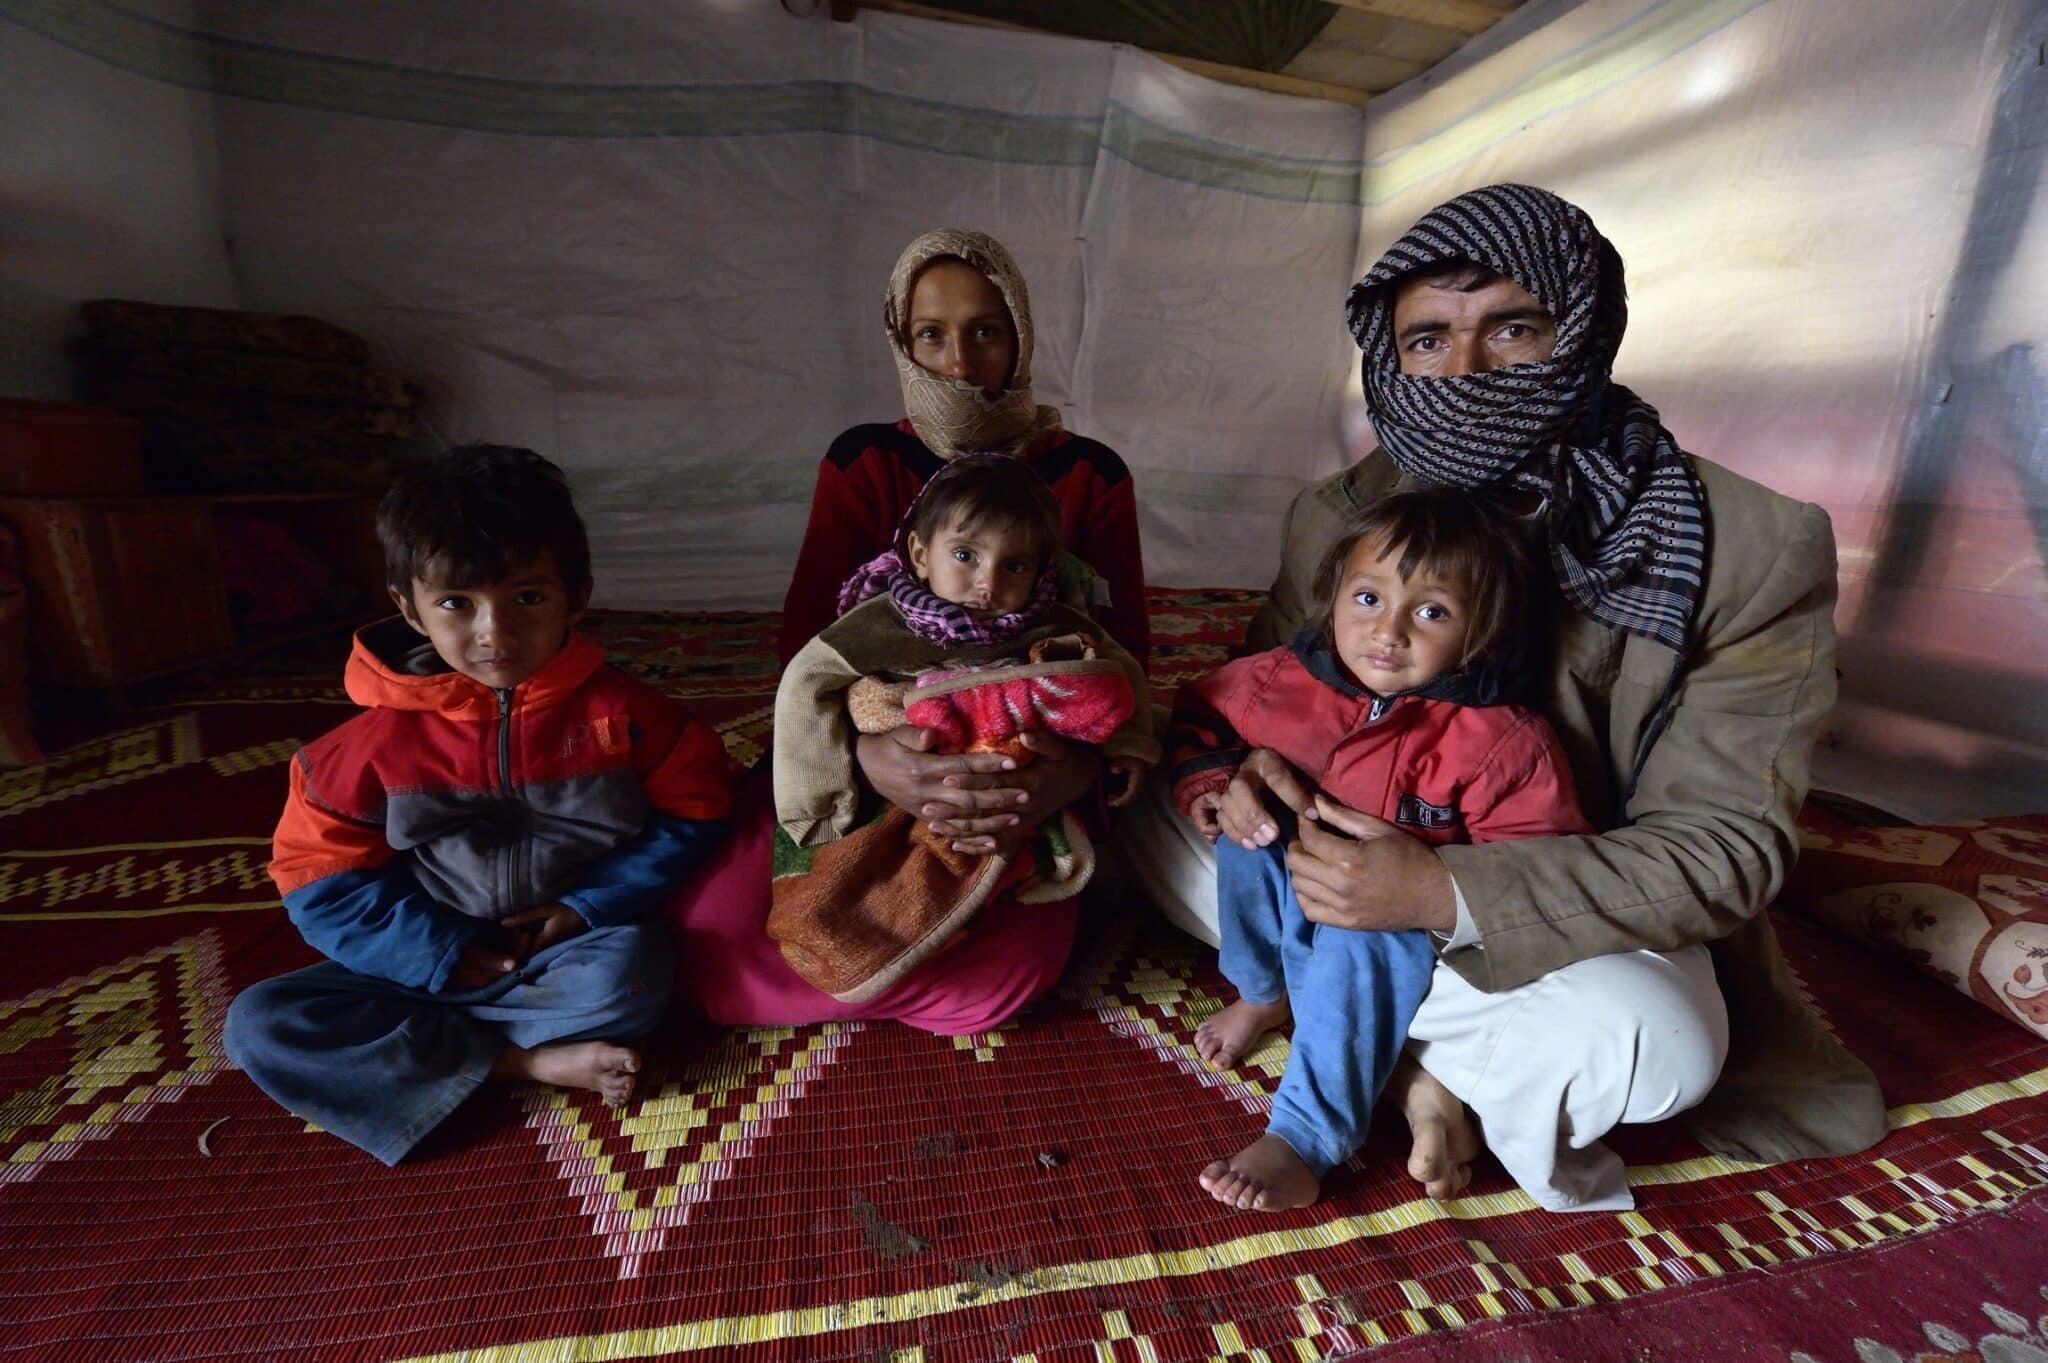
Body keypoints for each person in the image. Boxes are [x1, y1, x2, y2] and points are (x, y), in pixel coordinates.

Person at [1124, 183, 1885, 1212]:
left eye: (1511, 330)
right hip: (1339, 862)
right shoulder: (1345, 512)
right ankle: (1406, 1064)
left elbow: (1722, 849)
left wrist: (1441, 895)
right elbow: (1266, 695)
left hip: (1551, 905)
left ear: (1580, 332)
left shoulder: (1740, 547)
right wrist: (1238, 780)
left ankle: (1375, 1040)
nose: (1465, 370)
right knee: (1131, 782)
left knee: (1656, 1046)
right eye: (1428, 340)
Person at [669, 228, 1145, 1034]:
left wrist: (1060, 780)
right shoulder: (865, 463)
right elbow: (808, 653)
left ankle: (862, 969)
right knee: (703, 935)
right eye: (932, 333)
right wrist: (871, 758)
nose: (959, 362)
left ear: (1021, 335)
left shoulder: (1088, 473)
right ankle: (889, 965)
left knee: (1006, 980)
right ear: (902, 339)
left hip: (1017, 768)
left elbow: (1124, 659)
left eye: (986, 331)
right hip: (869, 758)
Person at [224, 445, 735, 1165]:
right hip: (420, 963)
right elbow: (320, 881)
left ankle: (455, 1054)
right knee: (258, 1025)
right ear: (407, 606)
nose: (494, 632)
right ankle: (525, 1062)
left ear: (577, 594)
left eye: (527, 597)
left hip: (565, 951)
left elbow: (700, 811)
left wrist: (591, 906)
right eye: (456, 604)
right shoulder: (357, 750)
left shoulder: (630, 716)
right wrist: (439, 953)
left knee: (635, 977)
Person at [1176, 489, 1592, 1211]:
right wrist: (1217, 785)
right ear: (1333, 594)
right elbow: (1197, 712)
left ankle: (1306, 1136)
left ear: (1482, 632)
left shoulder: (1501, 741)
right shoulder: (1285, 678)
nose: (1388, 630)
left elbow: (1538, 865)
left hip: (1400, 925)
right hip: (1299, 872)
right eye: (1367, 596)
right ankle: (1264, 992)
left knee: (1356, 942)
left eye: (1431, 611)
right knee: (1247, 837)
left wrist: (1425, 886)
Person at [769, 454, 1155, 1002]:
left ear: (1043, 569)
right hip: (894, 782)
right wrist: (820, 796)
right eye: (966, 556)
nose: (987, 583)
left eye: (1014, 566)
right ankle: (866, 943)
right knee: (846, 880)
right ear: (921, 555)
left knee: (994, 894)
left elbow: (1117, 675)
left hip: (1011, 783)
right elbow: (805, 681)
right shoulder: (879, 623)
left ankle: (963, 924)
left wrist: (1129, 744)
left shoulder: (1056, 626)